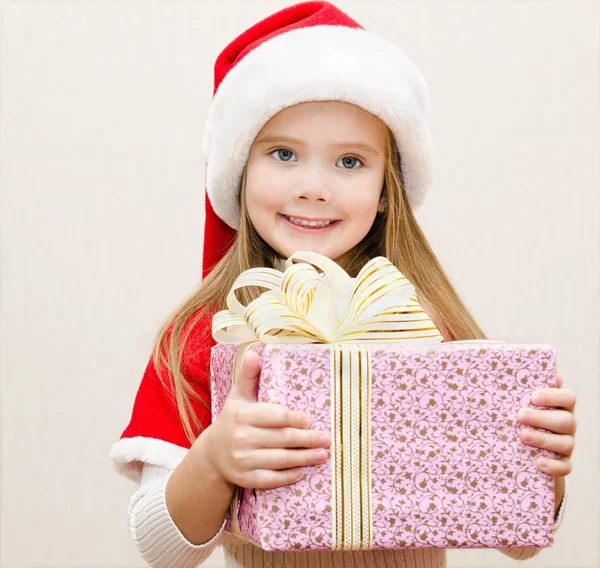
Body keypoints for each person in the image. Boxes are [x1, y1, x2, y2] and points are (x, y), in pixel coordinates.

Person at [109, 2, 576, 567]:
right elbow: (162, 552)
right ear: (239, 171)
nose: (314, 187)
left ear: (387, 188)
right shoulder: (207, 336)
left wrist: (540, 469)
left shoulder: (420, 324)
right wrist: (213, 461)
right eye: (283, 153)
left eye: (350, 162)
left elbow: (519, 542)